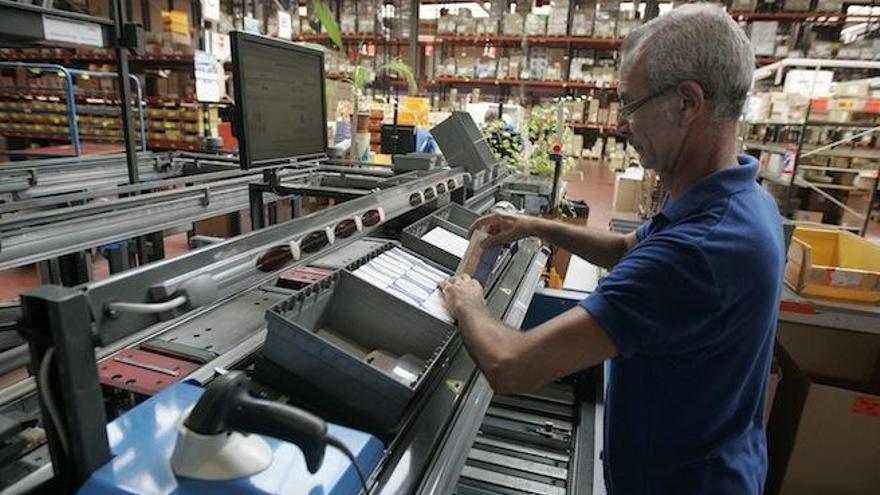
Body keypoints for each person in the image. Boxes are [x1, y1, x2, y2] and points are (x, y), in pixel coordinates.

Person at [439, 4, 785, 495]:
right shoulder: (744, 198)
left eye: (630, 104)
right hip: (721, 461)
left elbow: (511, 364)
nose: (622, 124)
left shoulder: (697, 252)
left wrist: (467, 301)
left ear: (688, 103)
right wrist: (536, 226)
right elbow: (629, 248)